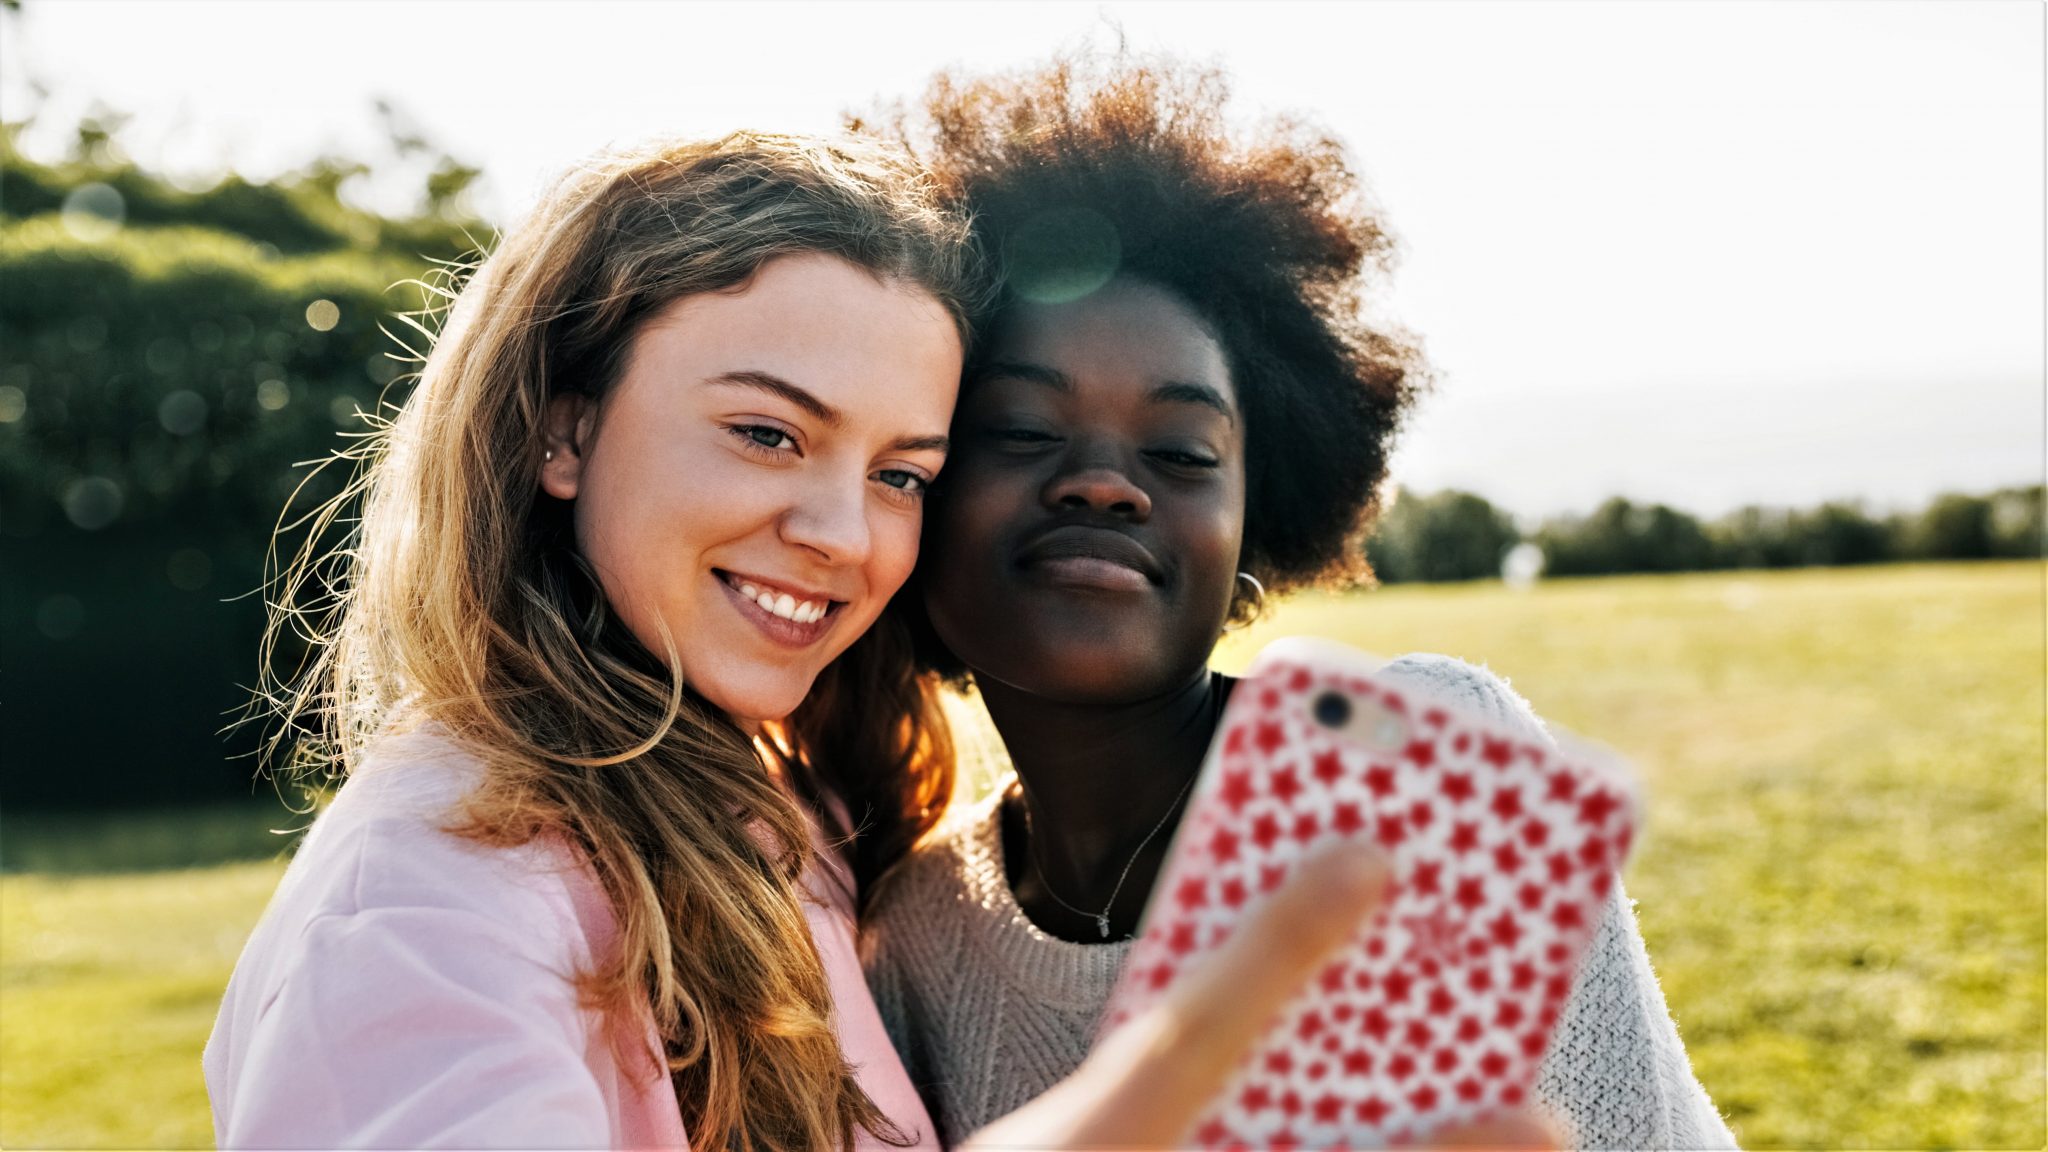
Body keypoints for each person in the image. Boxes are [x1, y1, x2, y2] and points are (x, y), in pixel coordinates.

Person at [202, 129, 1497, 1152]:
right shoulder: (431, 899)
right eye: (768, 433)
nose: (841, 533)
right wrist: (1170, 1077)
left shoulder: (777, 822)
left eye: (903, 473)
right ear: (563, 429)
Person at [860, 59, 1740, 1149]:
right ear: (912, 492)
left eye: (1180, 451)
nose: (1104, 482)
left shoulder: (1414, 759)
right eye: (1023, 431)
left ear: (1248, 541)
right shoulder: (910, 937)